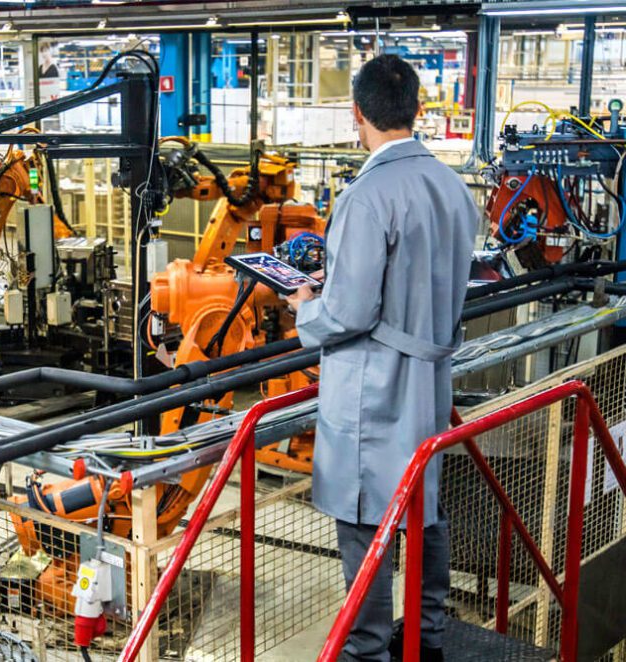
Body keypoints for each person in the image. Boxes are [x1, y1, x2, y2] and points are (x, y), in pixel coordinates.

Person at [287, 54, 478, 661]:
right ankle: (427, 636)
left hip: (375, 386)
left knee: (365, 517)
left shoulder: (367, 195)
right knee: (423, 509)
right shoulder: (452, 185)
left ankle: (365, 649)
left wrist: (305, 303)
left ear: (357, 115)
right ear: (417, 110)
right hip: (430, 377)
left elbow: (348, 313)